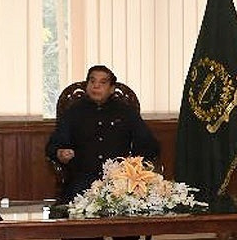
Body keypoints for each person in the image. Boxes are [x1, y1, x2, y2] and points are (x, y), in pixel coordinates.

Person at [45, 64, 160, 202]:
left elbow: (149, 145)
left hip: (119, 181)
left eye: (102, 82)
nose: (96, 86)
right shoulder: (73, 111)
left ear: (112, 89)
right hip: (82, 180)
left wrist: (133, 166)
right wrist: (60, 153)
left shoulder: (125, 111)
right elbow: (53, 146)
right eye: (92, 81)